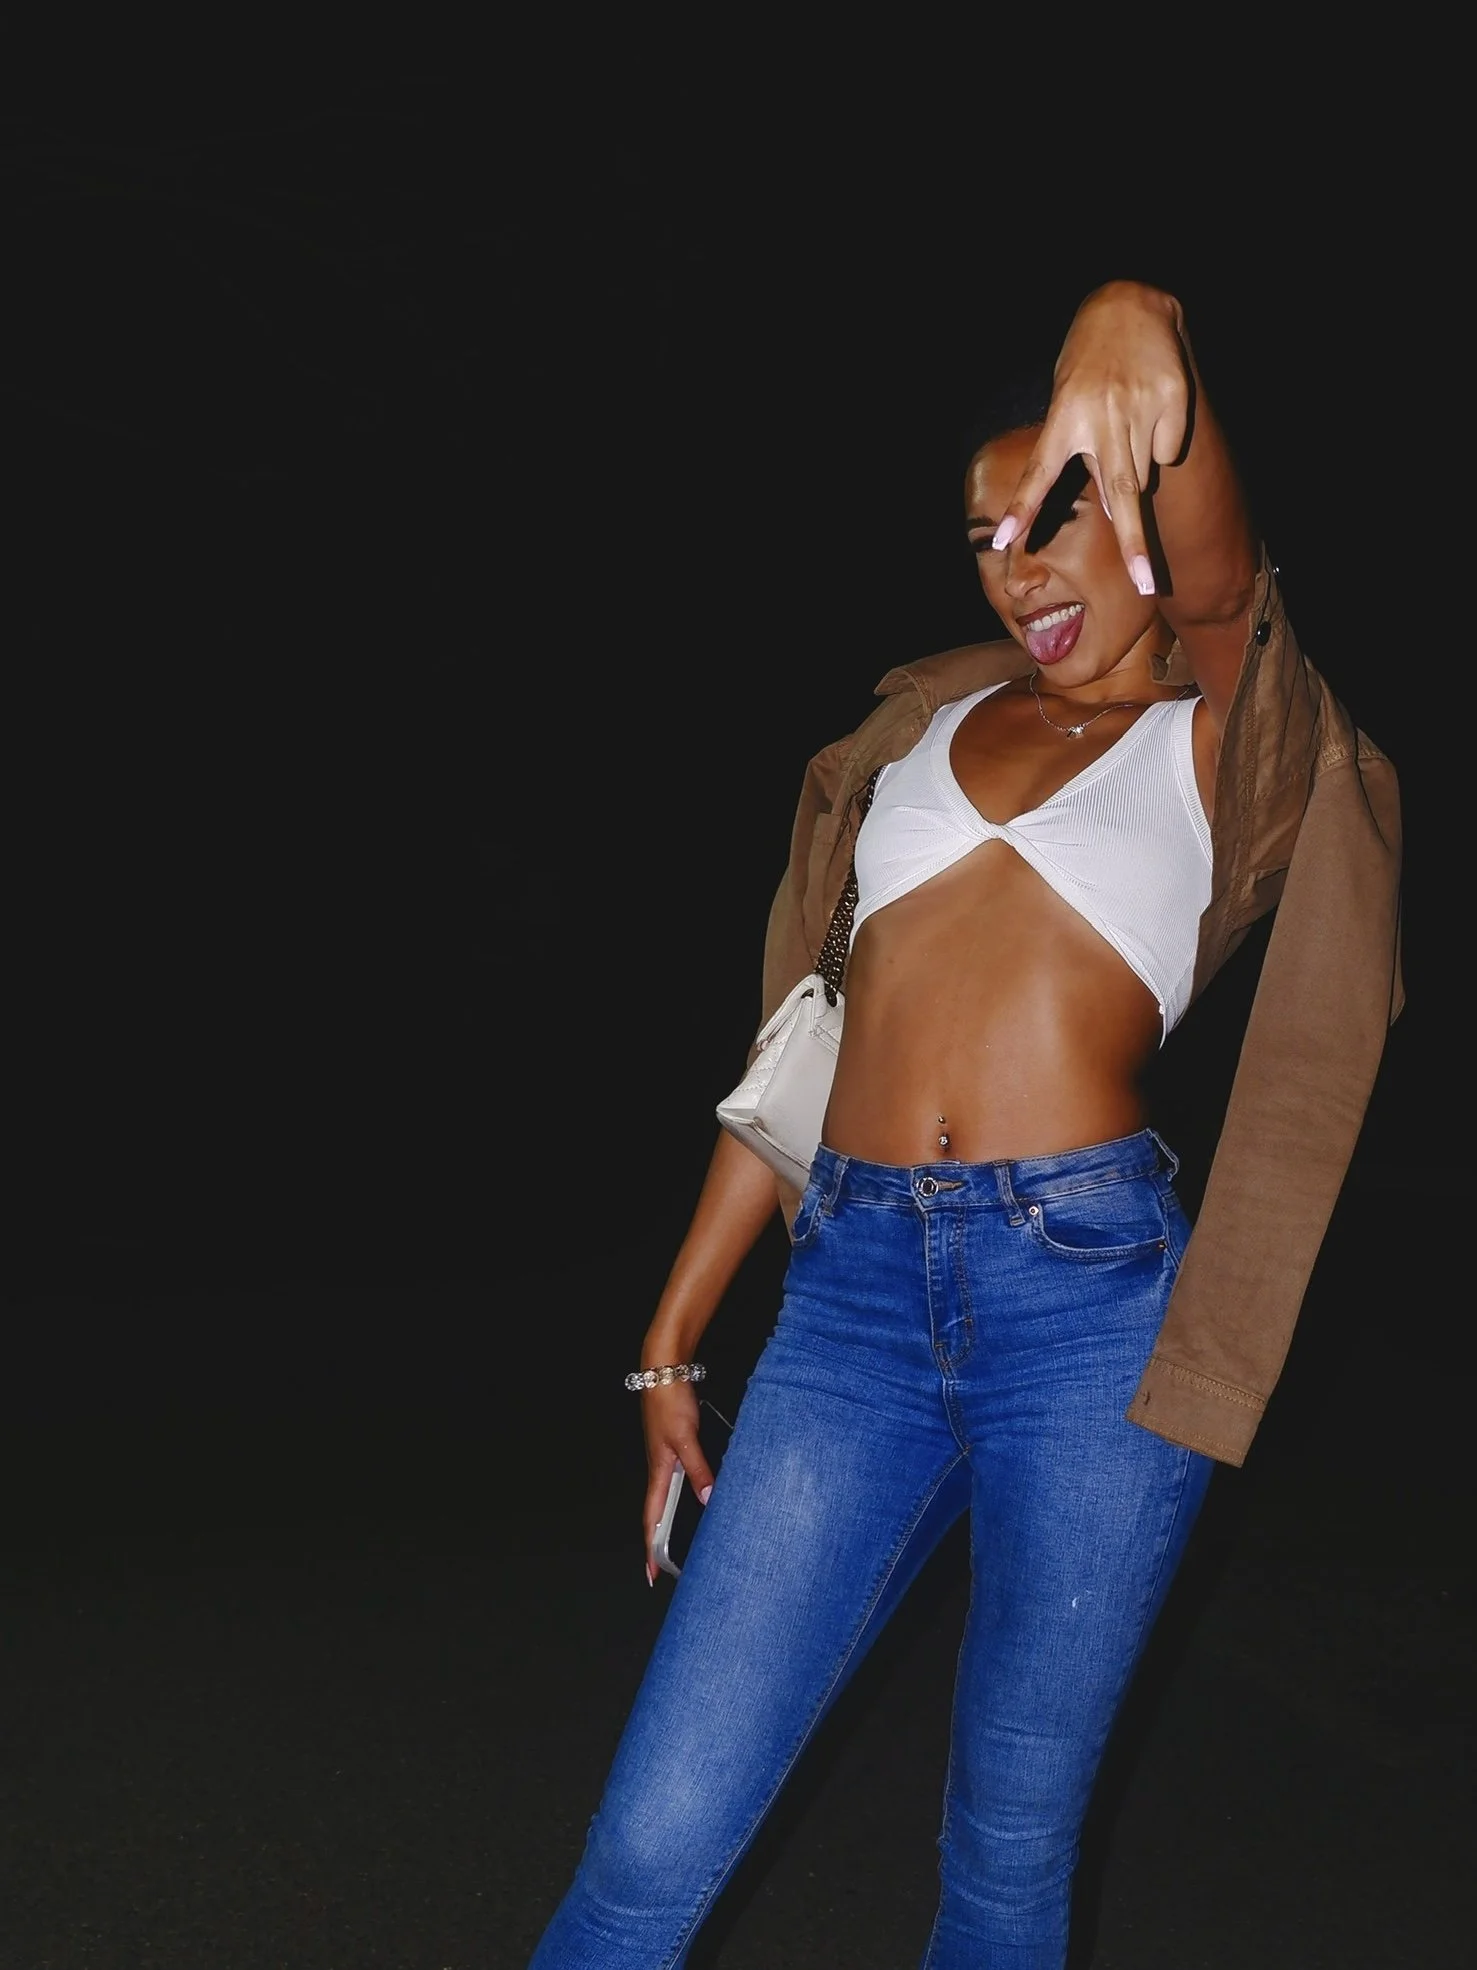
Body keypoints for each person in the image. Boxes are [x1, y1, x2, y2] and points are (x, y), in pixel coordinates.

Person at [528, 280, 1404, 1968]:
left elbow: (1231, 586)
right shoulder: (915, 736)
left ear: (1134, 504)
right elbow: (807, 1049)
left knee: (1004, 1857)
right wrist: (671, 1332)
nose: (1017, 567)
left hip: (1090, 1308)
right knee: (649, 1842)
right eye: (988, 536)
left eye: (1057, 513)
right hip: (849, 1298)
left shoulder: (1217, 742)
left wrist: (1135, 325)